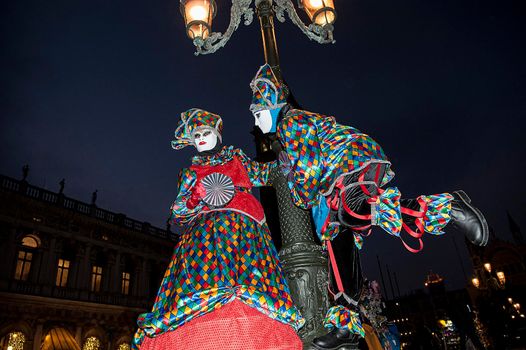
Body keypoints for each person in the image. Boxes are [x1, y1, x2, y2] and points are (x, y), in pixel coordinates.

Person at [248, 64, 489, 350]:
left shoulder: (291, 122)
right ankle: (345, 324)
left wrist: (297, 192)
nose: (257, 122)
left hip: (349, 164)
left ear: (275, 107)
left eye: (259, 114)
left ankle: (446, 208)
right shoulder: (287, 131)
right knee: (339, 248)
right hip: (335, 182)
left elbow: (309, 172)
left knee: (352, 211)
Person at [132, 108, 304, 349]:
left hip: (243, 231)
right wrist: (194, 199)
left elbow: (265, 173)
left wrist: (289, 157)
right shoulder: (189, 173)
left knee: (249, 280)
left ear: (217, 135)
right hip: (204, 238)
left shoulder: (236, 159)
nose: (200, 137)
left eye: (205, 132)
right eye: (196, 135)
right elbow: (179, 214)